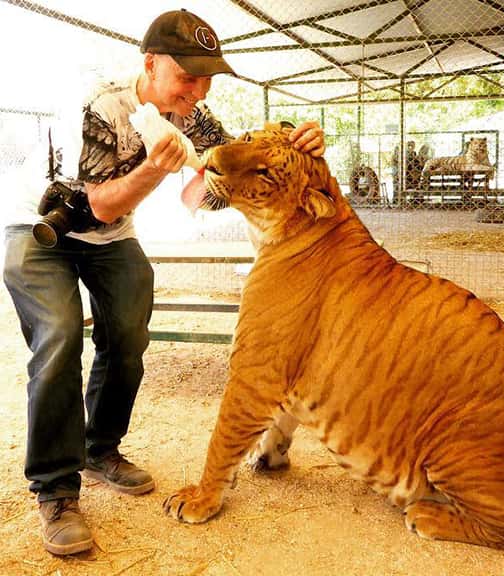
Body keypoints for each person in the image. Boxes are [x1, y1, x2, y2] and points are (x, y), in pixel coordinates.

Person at [2, 9, 325, 556]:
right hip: (41, 227)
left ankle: (100, 449)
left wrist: (297, 142)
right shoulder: (101, 106)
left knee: (128, 332)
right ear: (150, 65)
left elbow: (232, 159)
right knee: (60, 336)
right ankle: (56, 491)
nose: (198, 92)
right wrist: (154, 169)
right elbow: (99, 206)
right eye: (187, 77)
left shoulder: (189, 111)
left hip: (109, 238)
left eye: (206, 80)